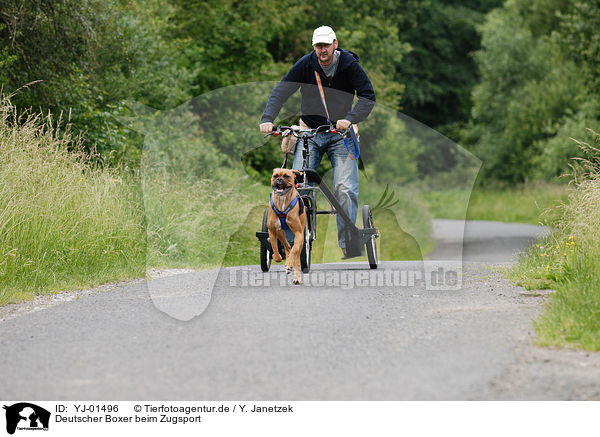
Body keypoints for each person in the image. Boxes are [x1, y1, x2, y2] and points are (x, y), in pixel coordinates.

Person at [260, 25, 376, 257]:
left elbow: (367, 97)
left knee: (344, 189)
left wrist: (350, 118)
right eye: (318, 46)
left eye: (326, 45)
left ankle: (348, 243)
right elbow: (280, 91)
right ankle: (293, 247)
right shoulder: (306, 64)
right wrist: (268, 118)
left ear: (335, 44)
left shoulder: (350, 66)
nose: (322, 50)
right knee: (296, 186)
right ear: (314, 47)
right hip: (308, 133)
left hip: (340, 135)